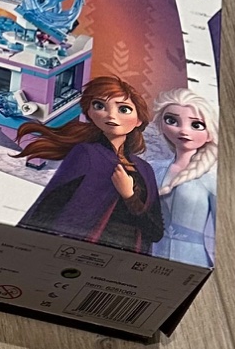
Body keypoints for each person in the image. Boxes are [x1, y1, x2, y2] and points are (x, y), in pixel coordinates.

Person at [14, 75, 164, 252]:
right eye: (99, 106)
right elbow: (50, 206)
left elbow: (155, 232)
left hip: (126, 257)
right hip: (78, 251)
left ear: (139, 120)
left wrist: (129, 196)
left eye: (123, 109)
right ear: (90, 113)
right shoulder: (86, 154)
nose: (111, 115)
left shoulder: (145, 170)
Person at [147, 88, 218, 267]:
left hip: (193, 261)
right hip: (151, 256)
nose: (183, 131)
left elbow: (224, 232)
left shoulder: (210, 179)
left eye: (196, 125)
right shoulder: (153, 169)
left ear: (210, 132)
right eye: (172, 121)